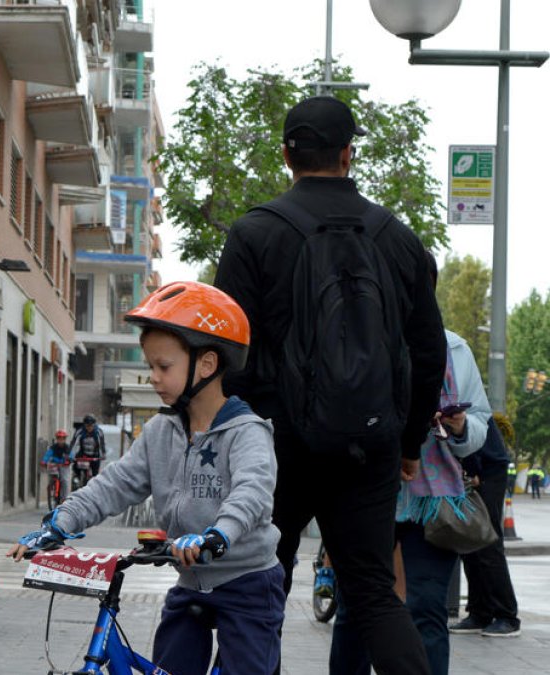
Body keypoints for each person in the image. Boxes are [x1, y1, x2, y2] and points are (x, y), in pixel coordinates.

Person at [213, 96, 446, 674]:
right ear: (349, 153)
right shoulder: (397, 238)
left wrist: (235, 435)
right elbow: (428, 351)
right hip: (370, 444)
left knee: (259, 581)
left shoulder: (253, 234)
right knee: (371, 590)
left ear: (286, 153)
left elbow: (224, 350)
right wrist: (410, 441)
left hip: (273, 443)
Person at [10, 281, 285, 675]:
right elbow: (114, 484)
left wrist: (217, 535)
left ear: (206, 365)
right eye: (150, 366)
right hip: (190, 582)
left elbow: (252, 493)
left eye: (164, 366)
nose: (153, 376)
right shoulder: (161, 432)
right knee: (169, 663)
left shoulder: (247, 432)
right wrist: (59, 523)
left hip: (248, 583)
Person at [330, 324, 492, 675]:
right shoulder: (359, 333)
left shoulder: (456, 348)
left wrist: (461, 426)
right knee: (354, 607)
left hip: (433, 500)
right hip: (367, 490)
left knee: (428, 607)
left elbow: (481, 423)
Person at [452, 417, 521, 637]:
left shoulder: (463, 387)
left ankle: (507, 616)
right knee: (470, 543)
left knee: (488, 542)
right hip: (470, 470)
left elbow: (471, 427)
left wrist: (474, 470)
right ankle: (480, 612)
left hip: (487, 469)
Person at [69, 413, 106, 483]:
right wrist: (69, 454)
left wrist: (103, 454)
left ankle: (94, 487)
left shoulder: (98, 432)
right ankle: (77, 478)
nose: (89, 428)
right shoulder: (80, 431)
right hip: (83, 454)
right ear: (84, 425)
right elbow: (73, 443)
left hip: (94, 455)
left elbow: (102, 444)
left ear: (94, 425)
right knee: (75, 464)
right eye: (87, 426)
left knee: (95, 474)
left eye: (91, 426)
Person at [41, 429, 73, 501]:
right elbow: (47, 455)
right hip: (55, 465)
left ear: (65, 439)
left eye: (62, 439)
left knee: (64, 480)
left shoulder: (67, 448)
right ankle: (52, 486)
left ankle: (64, 498)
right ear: (57, 439)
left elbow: (71, 456)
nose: (60, 441)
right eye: (59, 439)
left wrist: (69, 461)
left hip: (64, 465)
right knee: (52, 477)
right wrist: (44, 461)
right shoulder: (53, 448)